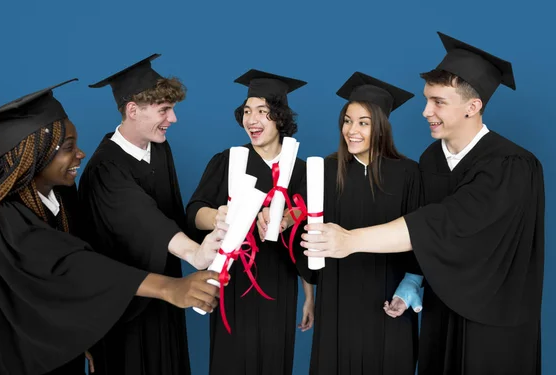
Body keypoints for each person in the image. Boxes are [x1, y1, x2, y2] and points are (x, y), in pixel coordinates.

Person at [302, 32, 544, 375]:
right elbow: (423, 233)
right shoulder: (431, 160)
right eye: (427, 100)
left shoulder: (511, 164)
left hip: (493, 319)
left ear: (472, 107)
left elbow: (444, 222)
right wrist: (411, 283)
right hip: (440, 312)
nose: (425, 111)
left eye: (438, 102)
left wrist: (350, 240)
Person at [0, 79, 222, 375]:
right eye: (68, 148)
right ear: (35, 154)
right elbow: (73, 267)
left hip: (58, 347)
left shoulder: (61, 197)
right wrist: (169, 287)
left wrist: (82, 338)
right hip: (14, 359)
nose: (80, 154)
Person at [78, 53, 224, 375]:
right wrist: (194, 254)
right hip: (124, 306)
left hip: (167, 297)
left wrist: (214, 227)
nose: (173, 119)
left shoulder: (159, 148)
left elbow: (171, 211)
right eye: (164, 110)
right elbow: (144, 218)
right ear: (133, 110)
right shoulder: (105, 167)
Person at [186, 69, 315, 375]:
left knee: (274, 360)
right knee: (232, 360)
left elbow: (308, 235)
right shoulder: (228, 161)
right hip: (232, 281)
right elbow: (193, 212)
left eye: (262, 112)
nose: (251, 120)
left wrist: (310, 296)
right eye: (247, 112)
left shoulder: (301, 171)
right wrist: (221, 215)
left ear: (280, 118)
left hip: (279, 283)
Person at [308, 72, 420, 375]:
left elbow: (421, 236)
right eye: (347, 120)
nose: (351, 130)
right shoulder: (327, 170)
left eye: (363, 123)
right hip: (337, 296)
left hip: (389, 295)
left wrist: (412, 283)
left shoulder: (409, 173)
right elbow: (306, 235)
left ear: (381, 129)